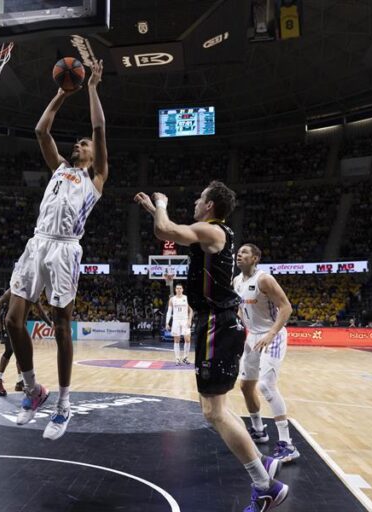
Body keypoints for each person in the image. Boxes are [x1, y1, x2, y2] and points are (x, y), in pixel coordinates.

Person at [135, 182, 288, 512]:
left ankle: (266, 487)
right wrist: (152, 210)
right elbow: (172, 231)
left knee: (213, 412)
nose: (194, 200)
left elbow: (166, 229)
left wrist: (161, 202)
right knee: (214, 408)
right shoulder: (214, 233)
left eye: (199, 197)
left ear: (209, 206)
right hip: (216, 323)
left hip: (217, 323)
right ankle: (261, 463)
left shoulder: (213, 231)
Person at [5, 60, 108, 441]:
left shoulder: (95, 178)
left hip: (65, 250)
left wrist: (93, 88)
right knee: (15, 320)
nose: (80, 143)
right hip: (37, 243)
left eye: (85, 142)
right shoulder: (60, 168)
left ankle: (64, 404)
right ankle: (34, 391)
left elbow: (99, 127)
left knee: (62, 325)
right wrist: (63, 94)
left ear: (95, 153)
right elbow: (40, 130)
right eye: (78, 142)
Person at [234, 243, 300, 463]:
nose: (239, 255)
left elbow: (286, 307)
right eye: (238, 253)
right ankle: (259, 429)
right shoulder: (236, 281)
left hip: (273, 335)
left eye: (244, 252)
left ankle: (287, 444)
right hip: (253, 336)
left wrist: (271, 333)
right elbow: (241, 308)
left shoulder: (264, 279)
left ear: (255, 258)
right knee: (245, 385)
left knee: (265, 385)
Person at [0, 288, 52, 396]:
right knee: (10, 350)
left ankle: (20, 381)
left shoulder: (34, 291)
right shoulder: (16, 287)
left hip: (21, 324)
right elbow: (0, 301)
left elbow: (40, 312)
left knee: (22, 352)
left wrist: (51, 324)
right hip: (9, 322)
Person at [165, 283, 192, 365]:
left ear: (182, 289)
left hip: (185, 320)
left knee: (187, 339)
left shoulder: (187, 298)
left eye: (180, 288)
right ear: (175, 290)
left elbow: (191, 311)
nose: (179, 289)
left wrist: (190, 320)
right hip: (176, 320)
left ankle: (185, 358)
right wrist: (167, 323)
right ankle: (177, 359)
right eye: (177, 288)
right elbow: (169, 312)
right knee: (176, 340)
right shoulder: (172, 299)